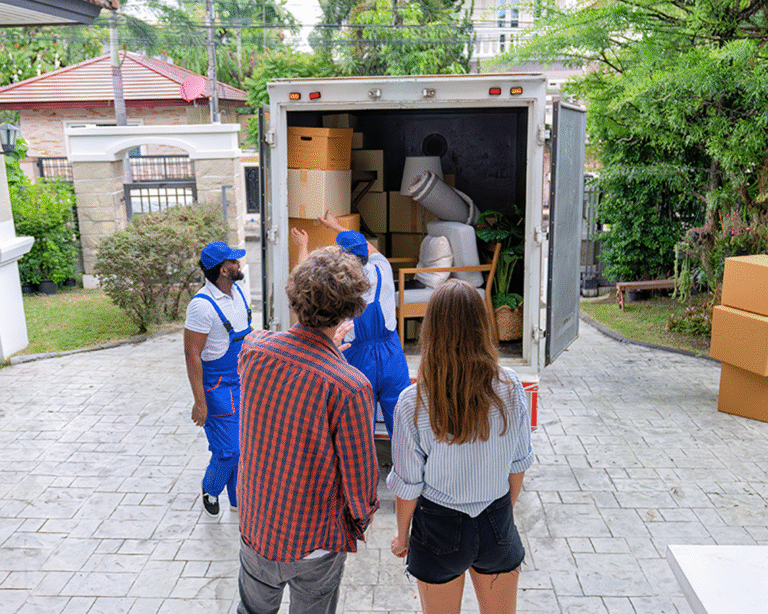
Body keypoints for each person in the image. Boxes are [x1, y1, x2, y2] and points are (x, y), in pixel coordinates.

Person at [236, 246, 380, 614]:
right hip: (314, 539)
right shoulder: (349, 386)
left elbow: (294, 363)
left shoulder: (253, 349)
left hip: (257, 525)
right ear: (351, 309)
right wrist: (359, 520)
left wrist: (324, 347)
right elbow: (360, 479)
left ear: (295, 297)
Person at [387, 279, 534, 614]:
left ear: (431, 331)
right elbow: (519, 464)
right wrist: (500, 513)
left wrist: (403, 536)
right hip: (496, 519)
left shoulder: (413, 403)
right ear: (482, 326)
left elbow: (408, 486)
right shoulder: (510, 387)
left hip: (439, 529)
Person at [290, 211, 411, 437]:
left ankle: (364, 468)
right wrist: (336, 226)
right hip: (391, 353)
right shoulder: (382, 267)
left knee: (358, 426)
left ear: (343, 258)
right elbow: (364, 243)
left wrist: (302, 246)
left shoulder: (340, 284)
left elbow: (306, 280)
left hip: (358, 358)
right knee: (402, 421)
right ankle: (406, 467)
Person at [184, 240, 251, 517]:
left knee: (245, 445)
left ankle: (238, 499)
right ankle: (211, 487)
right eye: (234, 262)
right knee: (229, 451)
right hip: (217, 387)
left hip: (244, 382)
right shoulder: (202, 306)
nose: (239, 265)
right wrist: (200, 402)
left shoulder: (240, 293)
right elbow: (192, 354)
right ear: (223, 270)